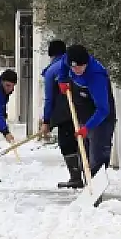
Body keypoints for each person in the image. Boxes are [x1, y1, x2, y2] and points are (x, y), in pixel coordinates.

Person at [37, 40, 85, 188]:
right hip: (84, 111)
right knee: (82, 142)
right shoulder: (76, 64)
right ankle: (89, 174)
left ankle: (76, 177)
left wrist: (46, 121)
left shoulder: (52, 71)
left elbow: (49, 98)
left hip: (65, 114)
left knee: (67, 144)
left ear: (51, 55)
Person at [64, 44, 116, 177]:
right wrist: (62, 80)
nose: (76, 70)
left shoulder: (96, 76)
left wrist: (87, 127)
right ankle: (87, 182)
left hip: (100, 118)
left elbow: (103, 109)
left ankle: (96, 184)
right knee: (84, 153)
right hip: (83, 113)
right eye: (73, 67)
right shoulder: (68, 61)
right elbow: (60, 68)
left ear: (86, 63)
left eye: (79, 67)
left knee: (97, 155)